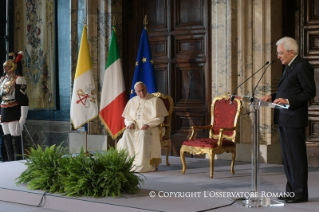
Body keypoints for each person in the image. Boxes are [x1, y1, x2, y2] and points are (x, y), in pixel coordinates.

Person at [261, 37, 316, 203]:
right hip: (284, 118)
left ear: (291, 52)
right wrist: (274, 96)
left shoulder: (302, 65)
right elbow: (290, 90)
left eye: (280, 53)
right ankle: (292, 191)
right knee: (288, 158)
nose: (278, 56)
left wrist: (288, 102)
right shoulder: (290, 66)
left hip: (294, 119)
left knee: (296, 158)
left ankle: (300, 193)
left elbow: (309, 92)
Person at [117, 81, 168, 172]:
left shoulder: (156, 100)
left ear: (146, 88)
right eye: (139, 91)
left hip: (152, 127)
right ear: (135, 92)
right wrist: (130, 123)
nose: (142, 93)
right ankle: (128, 163)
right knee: (127, 133)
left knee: (142, 133)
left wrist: (148, 124)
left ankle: (142, 165)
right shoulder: (132, 101)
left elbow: (160, 118)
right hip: (135, 127)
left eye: (143, 90)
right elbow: (127, 117)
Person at [0, 51, 29, 161]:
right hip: (4, 110)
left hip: (14, 109)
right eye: (4, 66)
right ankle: (9, 161)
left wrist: (23, 117)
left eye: (7, 66)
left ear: (12, 67)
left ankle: (18, 161)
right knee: (6, 139)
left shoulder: (18, 79)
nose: (5, 68)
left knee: (15, 138)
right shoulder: (2, 80)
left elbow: (24, 100)